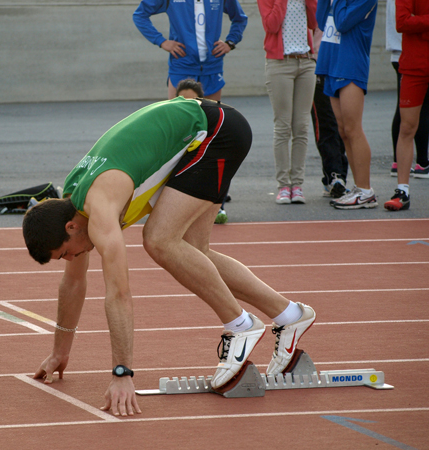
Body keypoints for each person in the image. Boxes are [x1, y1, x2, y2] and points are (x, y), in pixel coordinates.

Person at [23, 97, 316, 417]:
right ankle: (290, 316)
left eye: (65, 253)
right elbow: (74, 284)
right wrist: (59, 352)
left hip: (216, 131)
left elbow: (118, 294)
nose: (71, 259)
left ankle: (241, 325)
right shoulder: (75, 209)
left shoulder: (99, 207)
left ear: (70, 227)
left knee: (159, 240)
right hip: (207, 131)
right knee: (193, 250)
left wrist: (122, 374)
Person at [316, 0, 378, 210]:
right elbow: (322, 22)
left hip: (350, 64)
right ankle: (358, 188)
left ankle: (366, 190)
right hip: (332, 61)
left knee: (353, 129)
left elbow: (342, 22)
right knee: (343, 131)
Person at [258, 0, 318, 205]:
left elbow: (314, 22)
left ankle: (297, 185)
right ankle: (284, 185)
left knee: (301, 126)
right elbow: (271, 25)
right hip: (279, 64)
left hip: (306, 62)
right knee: (283, 126)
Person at [133, 0, 248, 101]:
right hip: (182, 66)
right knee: (179, 121)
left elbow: (240, 19)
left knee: (210, 122)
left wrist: (230, 42)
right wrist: (161, 41)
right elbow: (140, 15)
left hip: (212, 68)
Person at [384, 0, 429, 211]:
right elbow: (401, 22)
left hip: (416, 62)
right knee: (407, 127)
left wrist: (419, 22)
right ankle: (402, 191)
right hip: (414, 65)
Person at [175, 78, 230, 224]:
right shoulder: (172, 123)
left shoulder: (211, 122)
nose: (187, 105)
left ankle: (218, 207)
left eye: (192, 101)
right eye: (182, 100)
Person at [310, 28, 349, 199]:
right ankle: (334, 176)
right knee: (326, 125)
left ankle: (339, 175)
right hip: (319, 67)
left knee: (344, 126)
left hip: (344, 66)